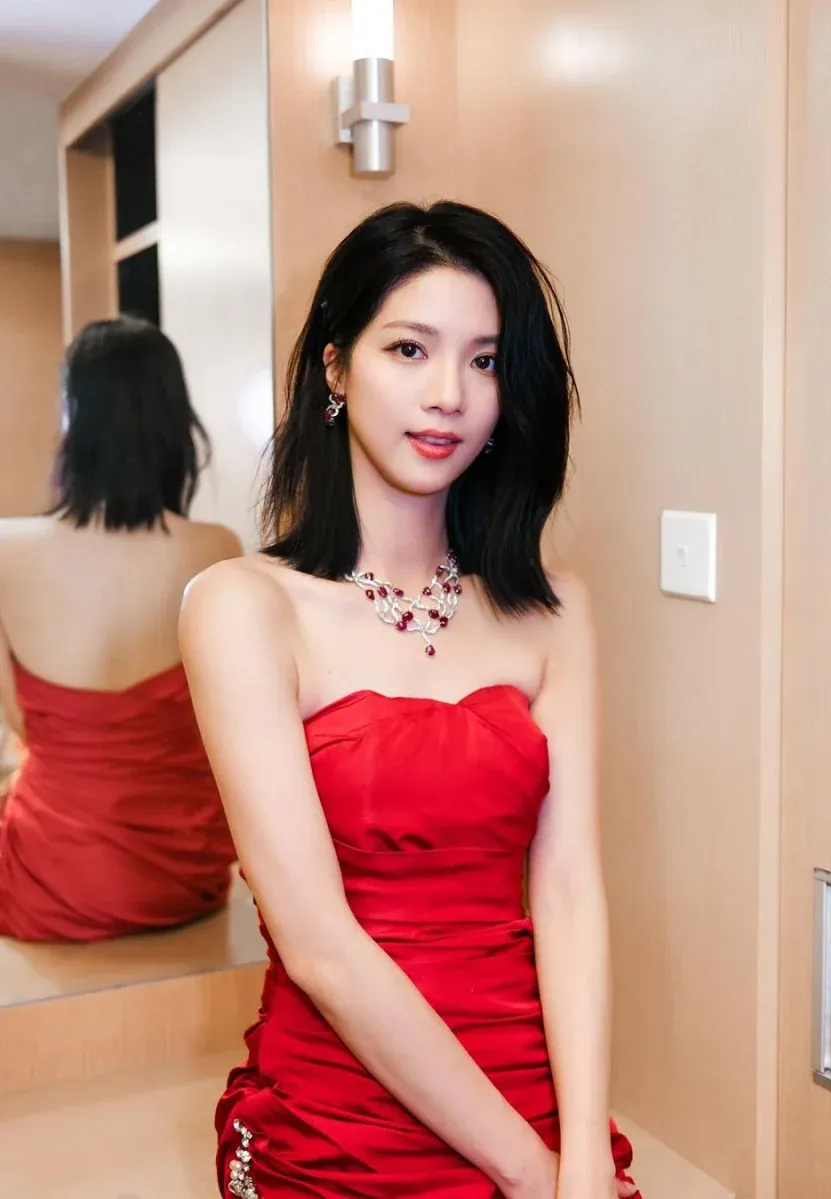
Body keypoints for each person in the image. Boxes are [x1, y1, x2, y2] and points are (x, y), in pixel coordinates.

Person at [180, 201, 639, 1199]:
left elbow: (568, 888)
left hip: (529, 1087)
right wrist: (528, 1172)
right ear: (335, 368)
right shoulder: (243, 607)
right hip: (341, 1116)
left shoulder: (554, 610)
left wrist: (584, 1157)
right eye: (409, 348)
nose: (448, 396)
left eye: (484, 360)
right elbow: (320, 944)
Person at [0, 317, 239, 942]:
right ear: (176, 424)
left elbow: (20, 722)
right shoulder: (217, 548)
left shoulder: (4, 551)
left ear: (73, 420)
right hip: (183, 873)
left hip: (52, 876)